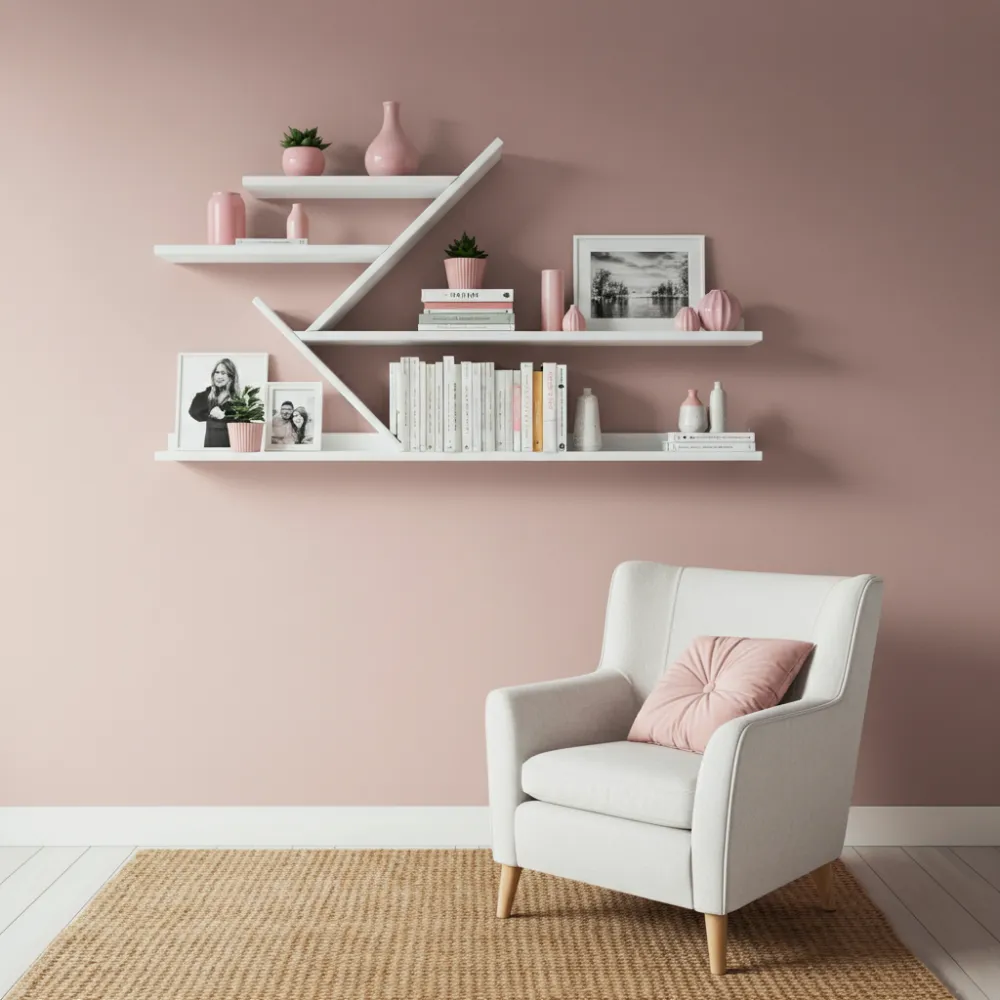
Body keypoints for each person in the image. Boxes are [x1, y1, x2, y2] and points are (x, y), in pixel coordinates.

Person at [188, 358, 239, 447]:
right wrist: (210, 414)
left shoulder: (237, 400)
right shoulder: (207, 395)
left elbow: (244, 426)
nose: (219, 376)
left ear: (231, 377)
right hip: (210, 447)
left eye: (223, 373)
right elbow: (193, 412)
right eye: (217, 372)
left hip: (230, 447)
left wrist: (223, 417)